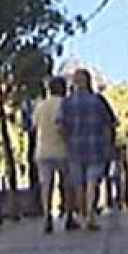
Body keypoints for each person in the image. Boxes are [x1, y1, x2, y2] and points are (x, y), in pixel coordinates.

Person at [59, 69, 116, 231]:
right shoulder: (98, 101)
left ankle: (83, 215)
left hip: (75, 147)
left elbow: (61, 126)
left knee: (78, 184)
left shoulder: (67, 103)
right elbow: (108, 125)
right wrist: (108, 144)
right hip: (96, 146)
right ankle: (91, 213)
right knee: (92, 182)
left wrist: (68, 140)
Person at [32, 76, 71, 232]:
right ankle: (68, 215)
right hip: (62, 149)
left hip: (42, 150)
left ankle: (47, 216)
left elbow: (34, 127)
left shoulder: (40, 106)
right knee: (65, 184)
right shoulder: (64, 104)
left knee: (46, 186)